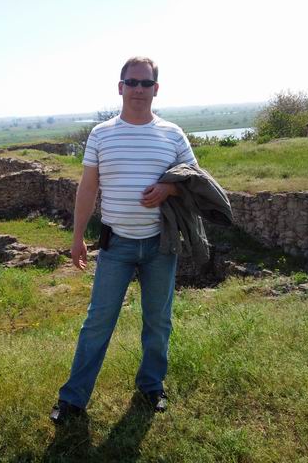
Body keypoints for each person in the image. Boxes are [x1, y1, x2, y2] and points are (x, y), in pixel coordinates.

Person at [50, 56, 198, 423]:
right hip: (116, 245)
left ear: (156, 89)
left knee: (158, 321)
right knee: (98, 322)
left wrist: (168, 189)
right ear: (120, 87)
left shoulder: (173, 134)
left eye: (146, 83)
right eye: (132, 82)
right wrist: (77, 237)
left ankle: (152, 386)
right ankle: (73, 399)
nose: (138, 89)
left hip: (160, 244)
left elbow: (195, 181)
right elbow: (88, 188)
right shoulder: (101, 134)